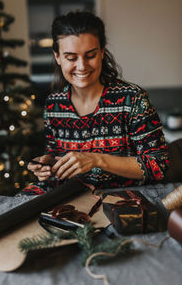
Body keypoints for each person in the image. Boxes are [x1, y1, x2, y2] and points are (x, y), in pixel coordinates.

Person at [22, 11, 169, 195]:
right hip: (70, 196)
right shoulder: (54, 104)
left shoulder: (133, 99)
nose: (82, 66)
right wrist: (47, 164)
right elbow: (56, 154)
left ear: (101, 52)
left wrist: (96, 159)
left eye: (90, 55)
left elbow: (158, 165)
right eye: (71, 58)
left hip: (122, 199)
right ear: (58, 57)